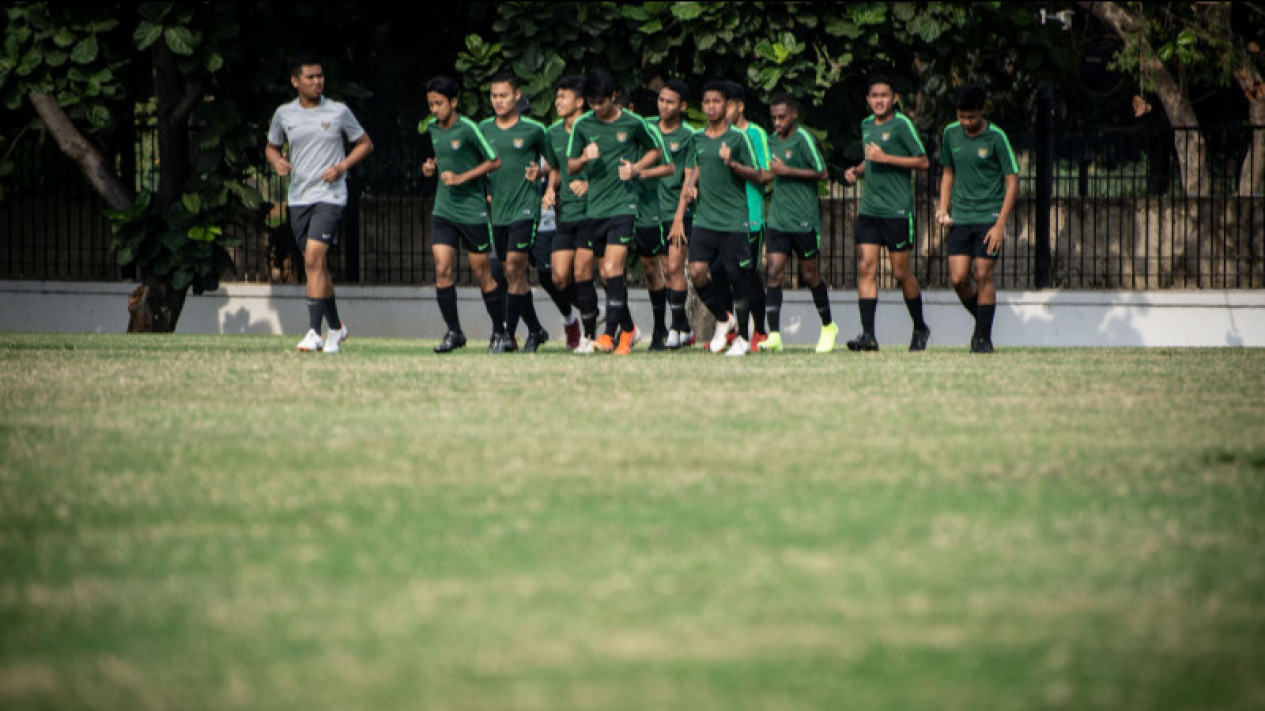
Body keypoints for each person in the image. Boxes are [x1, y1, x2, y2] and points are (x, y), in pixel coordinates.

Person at [266, 51, 373, 353]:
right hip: (299, 198)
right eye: (310, 77)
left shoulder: (338, 111)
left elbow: (365, 143)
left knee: (313, 259)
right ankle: (336, 328)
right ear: (295, 81)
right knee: (317, 266)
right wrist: (277, 161)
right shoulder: (284, 114)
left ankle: (314, 332)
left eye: (320, 76)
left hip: (330, 196)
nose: (317, 81)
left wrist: (341, 167)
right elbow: (272, 147)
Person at [566, 69, 663, 355]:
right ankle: (629, 329)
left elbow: (655, 151)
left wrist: (636, 168)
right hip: (595, 208)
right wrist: (585, 157)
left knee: (613, 269)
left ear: (613, 96)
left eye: (601, 102)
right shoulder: (583, 125)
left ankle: (609, 336)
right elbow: (571, 166)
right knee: (607, 276)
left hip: (624, 206)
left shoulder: (633, 123)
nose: (596, 108)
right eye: (591, 103)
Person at [669, 81, 768, 357]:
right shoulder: (697, 139)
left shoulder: (738, 138)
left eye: (717, 101)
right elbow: (696, 168)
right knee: (697, 272)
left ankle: (744, 338)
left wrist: (731, 163)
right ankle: (724, 320)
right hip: (705, 219)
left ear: (726, 105)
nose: (711, 106)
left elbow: (758, 174)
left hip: (734, 219)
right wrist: (688, 194)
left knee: (738, 277)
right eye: (707, 102)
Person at [843, 75, 931, 352]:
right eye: (874, 95)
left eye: (884, 95)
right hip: (869, 209)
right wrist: (856, 171)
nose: (879, 100)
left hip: (897, 210)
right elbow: (871, 159)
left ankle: (920, 326)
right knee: (866, 268)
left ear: (894, 98)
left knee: (900, 272)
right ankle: (868, 336)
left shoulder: (902, 124)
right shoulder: (866, 125)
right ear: (868, 99)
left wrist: (886, 159)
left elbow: (923, 161)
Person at [419, 75, 504, 353]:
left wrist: (461, 178)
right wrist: (430, 168)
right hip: (443, 210)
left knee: (482, 273)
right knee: (442, 269)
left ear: (453, 102)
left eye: (439, 103)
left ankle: (500, 332)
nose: (435, 109)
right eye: (431, 104)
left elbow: (494, 161)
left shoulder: (468, 128)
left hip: (471, 211)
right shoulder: (433, 128)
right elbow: (441, 157)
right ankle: (454, 332)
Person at [936, 84, 1019, 354]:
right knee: (959, 279)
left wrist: (1000, 224)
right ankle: (983, 324)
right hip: (961, 218)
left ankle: (983, 338)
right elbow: (948, 173)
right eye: (961, 116)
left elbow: (1012, 181)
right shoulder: (950, 133)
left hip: (989, 218)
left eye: (971, 117)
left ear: (982, 111)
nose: (966, 122)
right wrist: (943, 208)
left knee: (983, 273)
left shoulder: (996, 137)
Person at [480, 72, 550, 352]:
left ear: (517, 95)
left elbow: (554, 162)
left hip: (525, 208)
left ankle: (507, 336)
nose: (498, 101)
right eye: (494, 96)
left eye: (504, 95)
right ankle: (536, 330)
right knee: (512, 276)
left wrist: (540, 173)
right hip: (498, 211)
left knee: (512, 267)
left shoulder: (534, 129)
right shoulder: (484, 129)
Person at [764, 92, 838, 353]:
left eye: (782, 117)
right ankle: (774, 334)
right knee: (774, 271)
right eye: (774, 118)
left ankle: (828, 326)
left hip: (803, 220)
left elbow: (822, 172)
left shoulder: (803, 138)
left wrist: (787, 171)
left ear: (794, 114)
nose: (777, 123)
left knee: (810, 275)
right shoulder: (771, 141)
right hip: (778, 218)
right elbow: (767, 172)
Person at [724, 81, 772, 351]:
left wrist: (734, 165)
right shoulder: (717, 135)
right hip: (722, 217)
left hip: (750, 215)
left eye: (728, 104)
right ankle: (731, 328)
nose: (722, 109)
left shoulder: (755, 134)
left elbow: (766, 172)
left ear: (740, 106)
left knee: (748, 274)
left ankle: (759, 332)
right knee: (720, 272)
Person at [652, 80, 699, 349]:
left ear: (682, 106)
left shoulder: (688, 135)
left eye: (670, 102)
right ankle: (684, 329)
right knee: (667, 273)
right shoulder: (648, 129)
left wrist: (680, 217)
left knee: (674, 268)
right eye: (661, 100)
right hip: (653, 212)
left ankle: (674, 328)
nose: (664, 106)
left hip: (677, 212)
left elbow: (689, 178)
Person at [542, 75, 587, 350]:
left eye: (563, 97)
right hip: (566, 213)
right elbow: (556, 168)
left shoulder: (594, 128)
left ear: (579, 101)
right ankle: (590, 314)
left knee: (586, 274)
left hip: (594, 213)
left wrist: (589, 184)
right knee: (559, 277)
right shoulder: (552, 133)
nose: (557, 102)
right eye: (557, 97)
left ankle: (612, 328)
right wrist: (550, 189)